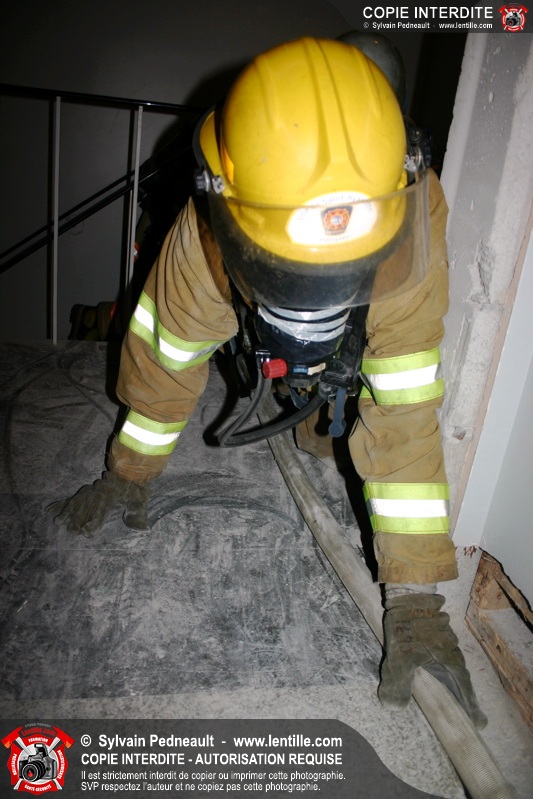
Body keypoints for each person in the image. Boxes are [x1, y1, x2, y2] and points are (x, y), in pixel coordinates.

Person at [50, 35, 487, 729]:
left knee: (336, 428)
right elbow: (165, 360)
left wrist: (416, 603)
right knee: (229, 369)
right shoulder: (202, 243)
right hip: (241, 315)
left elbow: (403, 409)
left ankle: (316, 407)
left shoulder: (411, 210)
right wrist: (128, 471)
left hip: (352, 318)